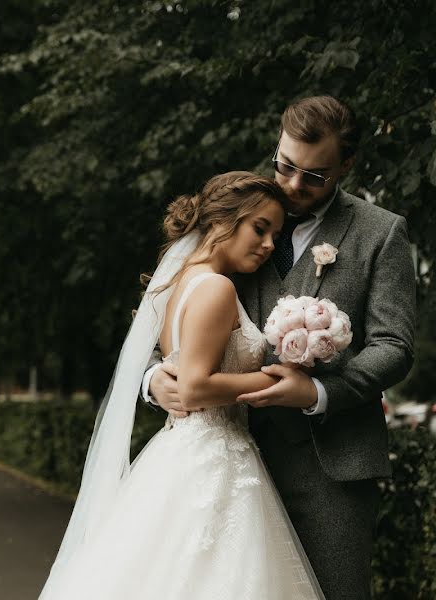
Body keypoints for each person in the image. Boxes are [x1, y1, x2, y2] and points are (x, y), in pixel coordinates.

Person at [145, 96, 416, 600]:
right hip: (227, 460)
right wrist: (157, 375)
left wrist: (318, 391)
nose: (293, 185)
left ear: (346, 166)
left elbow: (394, 345)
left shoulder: (381, 233)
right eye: (285, 165)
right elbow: (178, 303)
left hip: (331, 464)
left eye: (315, 176)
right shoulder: (239, 211)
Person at [40, 172, 325, 599]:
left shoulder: (179, 282)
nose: (268, 245)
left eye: (276, 234)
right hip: (214, 451)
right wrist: (276, 378)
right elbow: (193, 387)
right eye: (259, 228)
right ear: (220, 221)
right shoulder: (216, 288)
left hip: (182, 449)